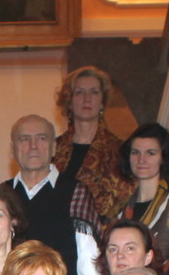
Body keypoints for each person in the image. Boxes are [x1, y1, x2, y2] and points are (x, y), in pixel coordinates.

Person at [5, 114, 103, 275]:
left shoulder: (75, 192)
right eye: (24, 139)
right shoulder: (1, 197)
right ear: (12, 149)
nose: (33, 146)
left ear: (54, 147)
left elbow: (90, 264)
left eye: (41, 138)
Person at [53, 66, 132, 220]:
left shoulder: (120, 151)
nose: (87, 98)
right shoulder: (52, 149)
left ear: (102, 102)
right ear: (69, 102)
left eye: (94, 92)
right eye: (79, 92)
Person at [113, 122, 169, 275]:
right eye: (135, 152)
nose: (141, 160)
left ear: (163, 158)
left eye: (150, 153)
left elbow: (159, 258)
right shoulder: (122, 202)